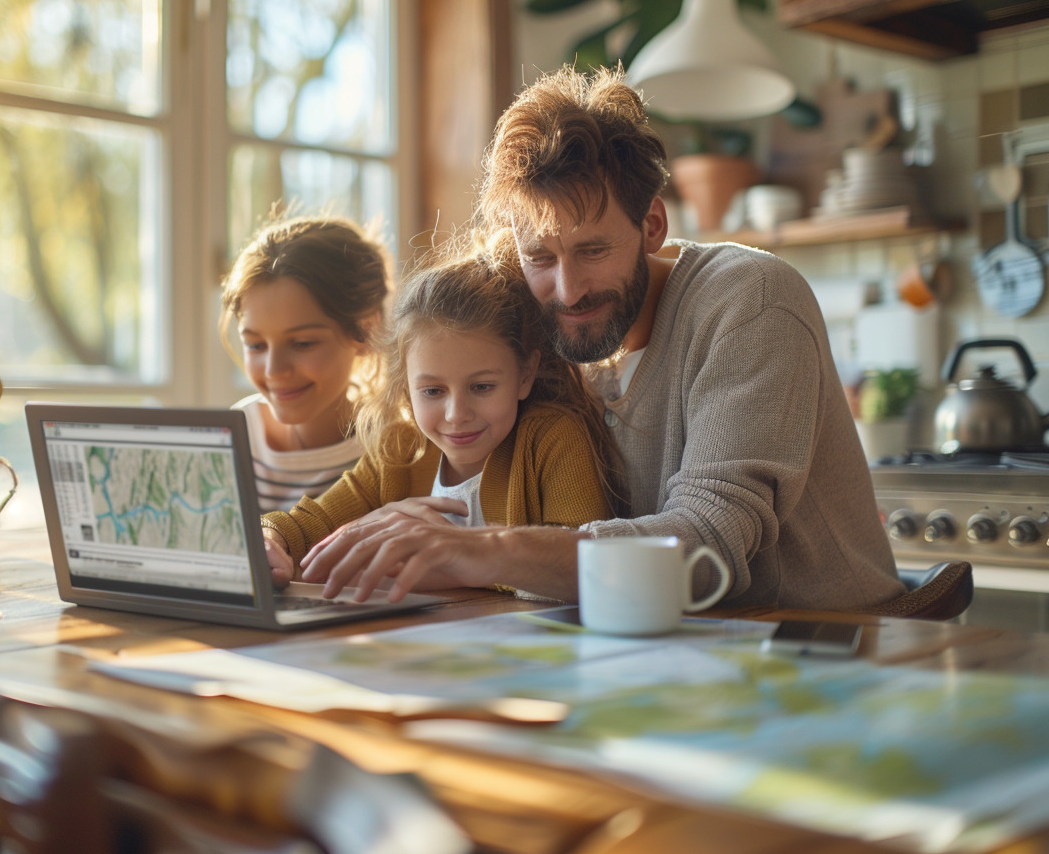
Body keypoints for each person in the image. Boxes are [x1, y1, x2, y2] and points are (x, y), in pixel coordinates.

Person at [301, 65, 904, 611]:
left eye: (592, 249)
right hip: (661, 641)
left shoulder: (749, 303)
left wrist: (483, 549)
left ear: (652, 225)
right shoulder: (535, 326)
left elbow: (708, 549)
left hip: (827, 638)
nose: (567, 290)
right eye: (540, 255)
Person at [262, 251, 624, 588]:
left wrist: (452, 562)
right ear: (406, 386)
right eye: (433, 392)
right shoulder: (400, 450)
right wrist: (270, 541)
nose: (456, 415)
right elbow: (305, 526)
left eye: (482, 386)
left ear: (525, 374)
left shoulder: (552, 438)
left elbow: (583, 563)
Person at [219, 213, 388, 514]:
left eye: (302, 343)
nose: (273, 371)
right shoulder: (230, 440)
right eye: (255, 345)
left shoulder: (393, 450)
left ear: (366, 330)